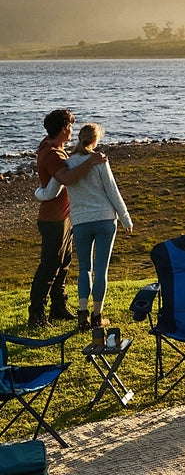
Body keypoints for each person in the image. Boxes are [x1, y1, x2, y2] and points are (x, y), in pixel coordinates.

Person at [36, 123, 133, 331]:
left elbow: (50, 192)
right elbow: (113, 192)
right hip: (106, 220)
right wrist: (126, 220)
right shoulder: (99, 160)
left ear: (80, 138)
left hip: (80, 222)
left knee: (84, 270)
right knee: (101, 271)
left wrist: (37, 194)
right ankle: (97, 317)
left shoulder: (67, 163)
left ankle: (82, 315)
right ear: (95, 140)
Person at [29, 108, 107, 328]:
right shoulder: (53, 154)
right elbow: (68, 179)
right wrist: (91, 162)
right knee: (50, 266)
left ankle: (58, 307)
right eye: (70, 126)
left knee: (63, 264)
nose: (72, 129)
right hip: (53, 219)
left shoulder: (53, 147)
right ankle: (36, 315)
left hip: (64, 217)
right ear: (64, 129)